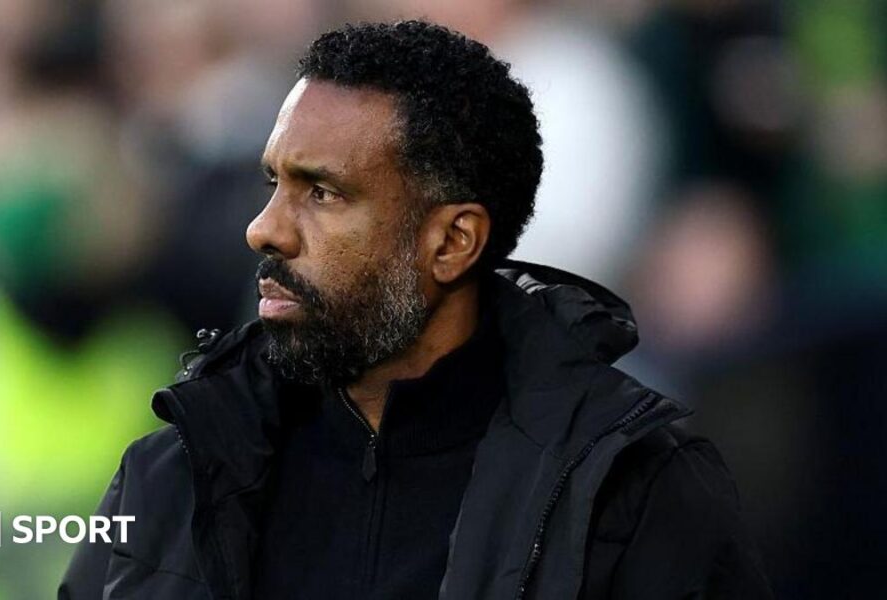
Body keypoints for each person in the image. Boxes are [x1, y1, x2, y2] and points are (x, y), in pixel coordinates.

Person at [59, 20, 771, 600]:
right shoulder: (176, 471)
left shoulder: (632, 491)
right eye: (274, 182)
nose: (264, 228)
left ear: (452, 242)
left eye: (323, 193)